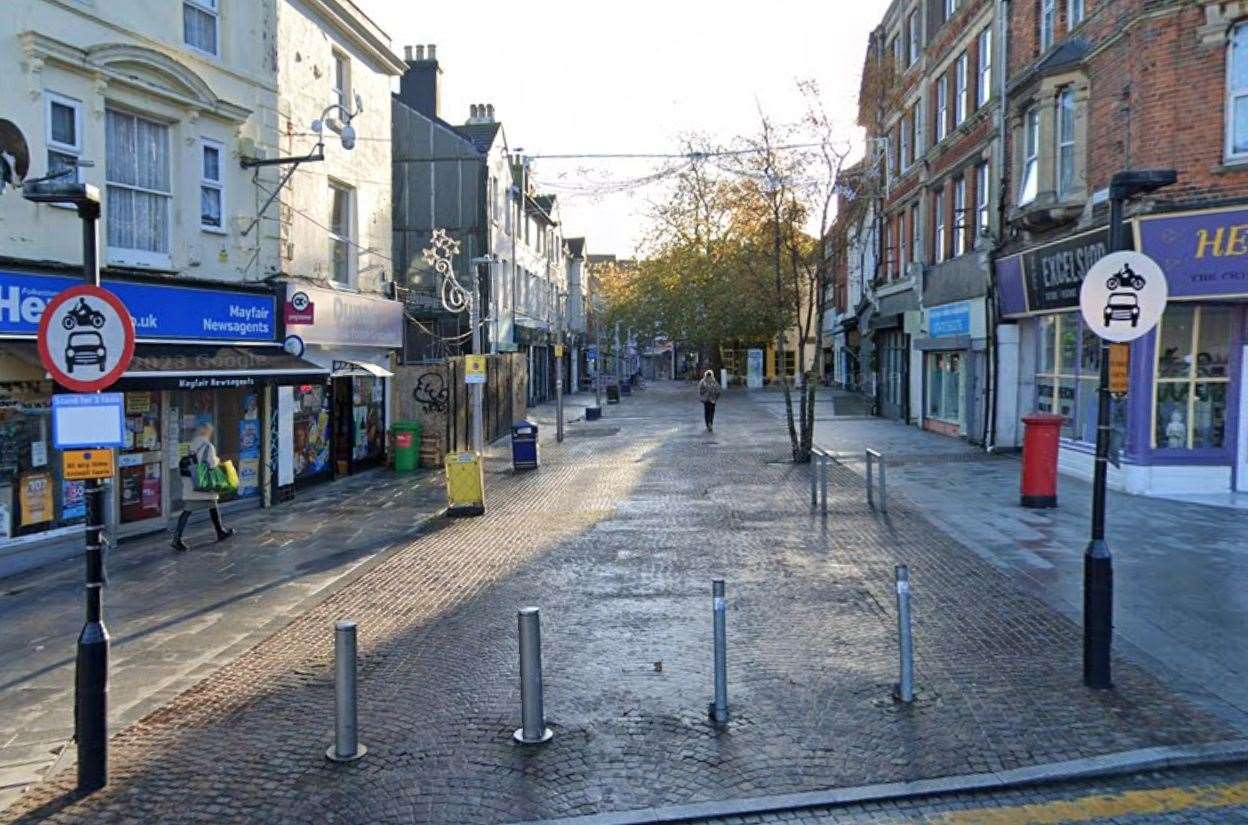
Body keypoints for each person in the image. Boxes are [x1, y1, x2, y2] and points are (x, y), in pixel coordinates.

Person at [172, 423, 235, 551]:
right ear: (206, 432)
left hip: (192, 482)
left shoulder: (192, 444)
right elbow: (211, 464)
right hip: (203, 482)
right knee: (209, 504)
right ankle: (177, 539)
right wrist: (217, 461)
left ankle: (219, 531)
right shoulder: (208, 446)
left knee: (205, 506)